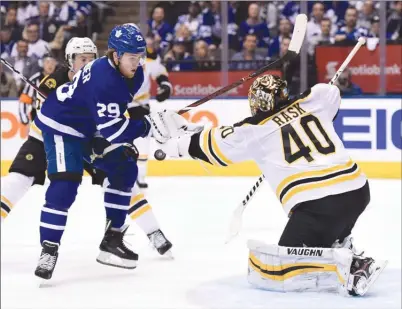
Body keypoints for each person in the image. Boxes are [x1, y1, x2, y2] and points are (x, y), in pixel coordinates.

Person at [158, 74, 387, 296]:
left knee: (277, 271)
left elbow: (207, 146)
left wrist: (167, 143)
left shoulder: (254, 130)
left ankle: (353, 266)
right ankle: (339, 241)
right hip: (357, 190)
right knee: (323, 227)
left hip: (318, 204)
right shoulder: (315, 100)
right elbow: (331, 93)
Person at [32, 24, 188, 280]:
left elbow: (112, 118)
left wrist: (147, 123)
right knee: (66, 184)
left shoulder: (133, 74)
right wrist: (149, 126)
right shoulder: (104, 78)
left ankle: (112, 239)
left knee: (125, 166)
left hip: (89, 127)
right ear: (115, 55)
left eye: (139, 56)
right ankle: (49, 249)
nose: (136, 63)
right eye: (131, 57)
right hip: (61, 125)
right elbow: (115, 131)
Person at [129, 34, 172, 189]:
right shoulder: (112, 61)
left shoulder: (148, 60)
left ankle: (140, 176)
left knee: (142, 144)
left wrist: (165, 86)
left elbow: (161, 74)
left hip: (140, 107)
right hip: (119, 108)